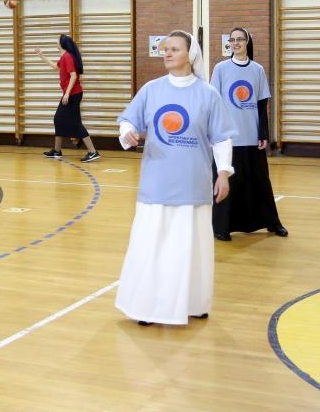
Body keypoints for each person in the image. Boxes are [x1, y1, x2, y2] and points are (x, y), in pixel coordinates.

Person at [115, 30, 237, 326]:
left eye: (174, 49)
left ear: (190, 55)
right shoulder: (151, 89)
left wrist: (223, 173)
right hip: (156, 185)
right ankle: (146, 307)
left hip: (192, 186)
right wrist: (127, 134)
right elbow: (129, 120)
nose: (166, 53)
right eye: (164, 49)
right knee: (151, 247)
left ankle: (193, 303)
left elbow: (221, 139)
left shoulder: (208, 94)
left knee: (191, 249)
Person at [210, 27, 288, 241]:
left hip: (252, 137)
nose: (235, 43)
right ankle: (221, 227)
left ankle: (273, 223)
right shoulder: (221, 68)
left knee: (260, 181)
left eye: (239, 40)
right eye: (232, 40)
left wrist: (263, 133)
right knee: (226, 183)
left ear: (247, 42)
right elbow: (214, 103)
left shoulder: (257, 70)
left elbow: (262, 105)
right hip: (227, 139)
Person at [34, 34, 101, 163]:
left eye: (57, 40)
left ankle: (93, 152)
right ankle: (56, 151)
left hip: (73, 94)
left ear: (62, 43)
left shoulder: (68, 57)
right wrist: (41, 56)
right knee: (59, 119)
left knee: (73, 122)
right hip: (71, 94)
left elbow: (73, 76)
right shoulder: (64, 57)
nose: (56, 42)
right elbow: (56, 67)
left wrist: (67, 94)